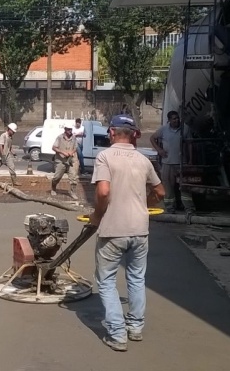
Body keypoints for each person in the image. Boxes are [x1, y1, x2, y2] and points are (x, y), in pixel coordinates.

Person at [89, 114, 165, 352]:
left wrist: (97, 216)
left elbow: (103, 192)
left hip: (114, 230)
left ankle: (117, 333)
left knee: (107, 281)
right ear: (135, 135)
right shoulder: (143, 160)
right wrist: (147, 201)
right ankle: (135, 327)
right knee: (136, 279)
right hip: (140, 230)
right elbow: (161, 192)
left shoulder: (105, 156)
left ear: (111, 132)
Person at [150, 111, 192, 214]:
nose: (176, 120)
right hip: (167, 164)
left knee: (185, 188)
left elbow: (190, 144)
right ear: (169, 120)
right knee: (168, 187)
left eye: (177, 118)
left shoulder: (185, 128)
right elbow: (152, 138)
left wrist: (190, 159)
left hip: (181, 164)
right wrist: (159, 150)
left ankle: (189, 208)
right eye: (174, 118)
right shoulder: (163, 130)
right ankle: (170, 207)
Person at [50, 122, 80, 200]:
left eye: (71, 129)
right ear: (65, 129)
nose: (70, 131)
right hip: (61, 160)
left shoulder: (74, 138)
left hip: (71, 160)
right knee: (57, 177)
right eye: (68, 129)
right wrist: (62, 152)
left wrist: (72, 152)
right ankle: (53, 188)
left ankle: (72, 192)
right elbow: (54, 147)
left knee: (73, 177)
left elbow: (76, 147)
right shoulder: (60, 138)